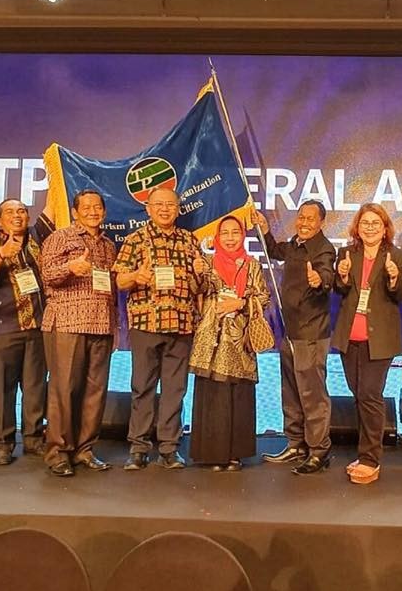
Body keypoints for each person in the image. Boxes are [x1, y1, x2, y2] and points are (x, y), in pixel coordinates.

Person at [115, 186, 206, 471]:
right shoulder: (135, 240)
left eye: (170, 205)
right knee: (142, 387)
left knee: (175, 389)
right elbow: (120, 281)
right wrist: (136, 276)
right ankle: (139, 447)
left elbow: (200, 286)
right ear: (148, 209)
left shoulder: (189, 240)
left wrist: (201, 273)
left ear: (178, 209)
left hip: (182, 324)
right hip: (147, 323)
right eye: (159, 205)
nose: (165, 209)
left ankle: (169, 448)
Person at [254, 200, 337, 475]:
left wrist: (320, 280)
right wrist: (265, 230)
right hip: (289, 332)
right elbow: (275, 251)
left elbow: (326, 274)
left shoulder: (324, 249)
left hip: (310, 333)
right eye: (301, 217)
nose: (304, 222)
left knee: (312, 395)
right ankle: (296, 444)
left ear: (321, 222)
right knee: (290, 391)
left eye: (310, 219)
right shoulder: (294, 244)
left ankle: (318, 451)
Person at [39, 189, 118, 477]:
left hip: (101, 324)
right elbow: (47, 275)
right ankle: (58, 452)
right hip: (67, 323)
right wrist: (70, 267)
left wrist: (114, 326)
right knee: (64, 390)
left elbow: (111, 290)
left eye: (98, 207)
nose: (93, 212)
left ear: (104, 212)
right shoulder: (60, 237)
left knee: (95, 392)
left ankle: (85, 449)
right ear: (75, 212)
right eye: (87, 207)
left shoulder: (108, 245)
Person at [332, 204, 402, 485]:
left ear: (385, 228)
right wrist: (341, 276)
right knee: (359, 395)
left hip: (380, 339)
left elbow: (400, 294)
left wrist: (394, 277)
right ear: (357, 227)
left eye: (376, 223)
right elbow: (340, 290)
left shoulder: (398, 256)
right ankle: (365, 453)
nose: (370, 227)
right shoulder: (346, 253)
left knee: (370, 395)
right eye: (365, 222)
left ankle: (370, 459)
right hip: (350, 335)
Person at [188, 215, 270, 471]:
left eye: (235, 232)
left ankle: (235, 454)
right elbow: (195, 289)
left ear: (243, 236)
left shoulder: (252, 265)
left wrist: (241, 302)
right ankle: (212, 454)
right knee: (213, 396)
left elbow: (264, 297)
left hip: (239, 341)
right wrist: (196, 273)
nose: (230, 238)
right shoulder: (207, 262)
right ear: (217, 237)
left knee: (238, 397)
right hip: (211, 340)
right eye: (225, 233)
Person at [0, 198, 54, 466]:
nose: (17, 215)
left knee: (35, 387)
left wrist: (55, 172)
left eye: (21, 211)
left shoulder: (37, 236)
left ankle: (33, 439)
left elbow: (52, 203)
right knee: (2, 389)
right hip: (3, 328)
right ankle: (3, 443)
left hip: (37, 325)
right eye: (9, 212)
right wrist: (2, 254)